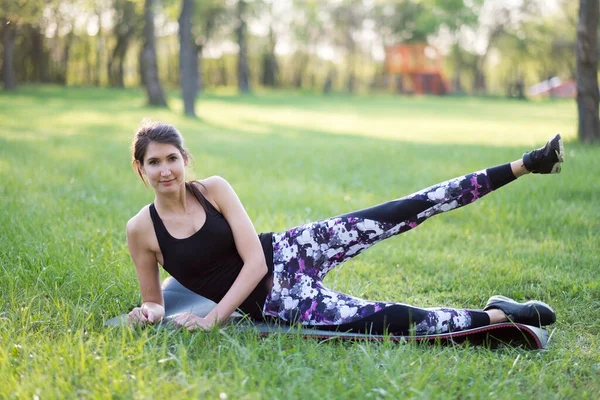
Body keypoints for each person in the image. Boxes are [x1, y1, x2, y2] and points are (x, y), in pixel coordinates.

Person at [126, 120, 562, 335]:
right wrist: (147, 314)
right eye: (154, 162)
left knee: (400, 210)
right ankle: (500, 315)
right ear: (140, 169)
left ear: (185, 160)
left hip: (290, 250)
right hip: (278, 300)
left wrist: (214, 319)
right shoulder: (141, 231)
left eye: (172, 158)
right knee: (389, 320)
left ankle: (527, 164)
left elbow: (255, 259)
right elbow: (155, 301)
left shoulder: (213, 188)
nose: (166, 170)